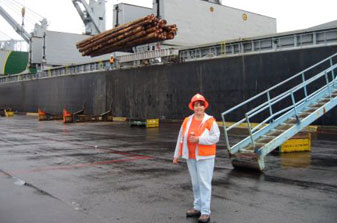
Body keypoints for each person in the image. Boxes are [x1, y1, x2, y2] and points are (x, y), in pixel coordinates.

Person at [173, 93, 220, 223]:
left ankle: (205, 212)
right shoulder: (187, 120)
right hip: (191, 157)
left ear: (204, 106)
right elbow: (181, 138)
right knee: (195, 184)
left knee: (204, 184)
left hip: (205, 157)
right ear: (192, 107)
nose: (198, 108)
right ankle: (197, 207)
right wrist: (176, 155)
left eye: (200, 105)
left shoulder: (210, 121)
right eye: (196, 105)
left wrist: (199, 139)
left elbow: (216, 137)